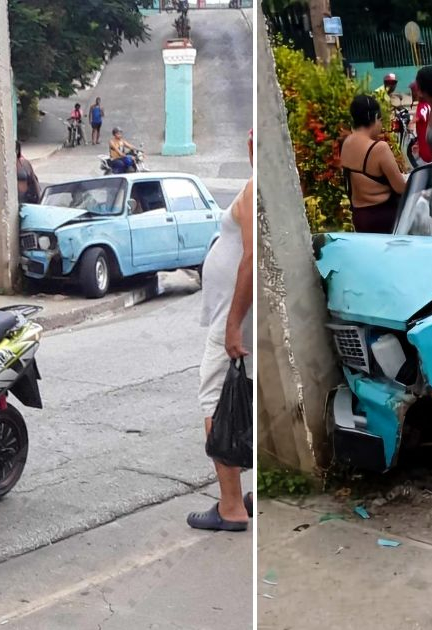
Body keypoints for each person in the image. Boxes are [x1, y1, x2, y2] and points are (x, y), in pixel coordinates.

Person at [187, 131, 253, 533]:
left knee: (216, 399)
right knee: (250, 398)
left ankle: (231, 506)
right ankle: (249, 494)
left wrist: (231, 324)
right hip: (245, 314)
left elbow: (250, 258)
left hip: (235, 317)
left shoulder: (252, 188)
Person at [340, 96, 408, 234]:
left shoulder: (346, 143)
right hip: (383, 218)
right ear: (376, 117)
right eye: (381, 120)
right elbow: (401, 188)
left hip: (359, 217)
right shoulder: (379, 148)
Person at [410, 81, 432, 164]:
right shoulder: (428, 103)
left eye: (413, 91)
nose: (413, 93)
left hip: (425, 140)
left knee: (426, 159)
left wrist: (411, 122)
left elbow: (420, 115)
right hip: (427, 137)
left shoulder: (422, 104)